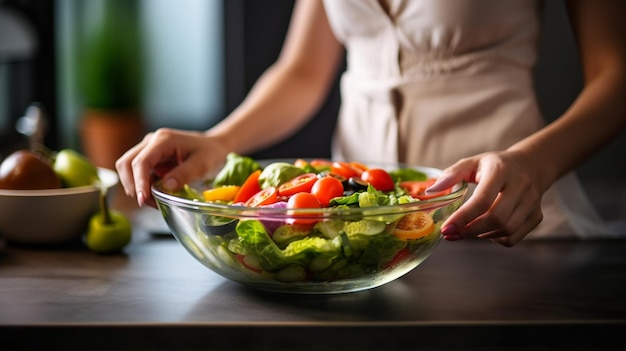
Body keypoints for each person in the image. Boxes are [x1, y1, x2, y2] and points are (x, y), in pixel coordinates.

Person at [116, 0, 626, 247]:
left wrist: (534, 163)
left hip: (502, 218)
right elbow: (303, 71)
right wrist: (219, 140)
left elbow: (616, 77)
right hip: (362, 231)